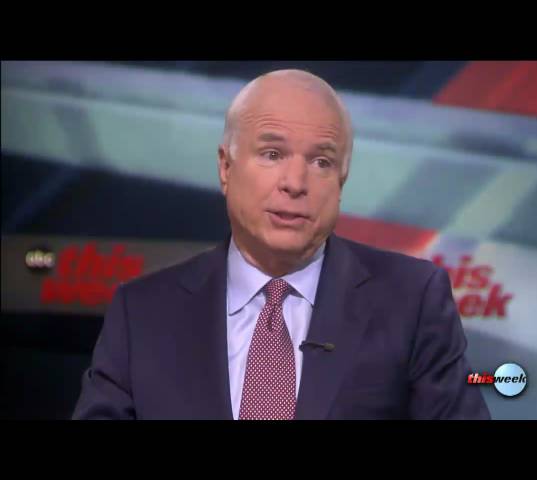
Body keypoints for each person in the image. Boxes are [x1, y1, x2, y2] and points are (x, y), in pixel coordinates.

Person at [72, 69, 491, 420]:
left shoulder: (411, 301)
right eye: (272, 154)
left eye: (321, 162)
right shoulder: (141, 314)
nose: (295, 183)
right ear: (225, 167)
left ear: (342, 181)